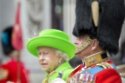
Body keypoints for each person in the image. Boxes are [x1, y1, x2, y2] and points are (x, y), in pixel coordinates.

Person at [68, 0, 125, 83]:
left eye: (80, 38)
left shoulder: (108, 73)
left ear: (94, 44)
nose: (75, 42)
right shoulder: (78, 70)